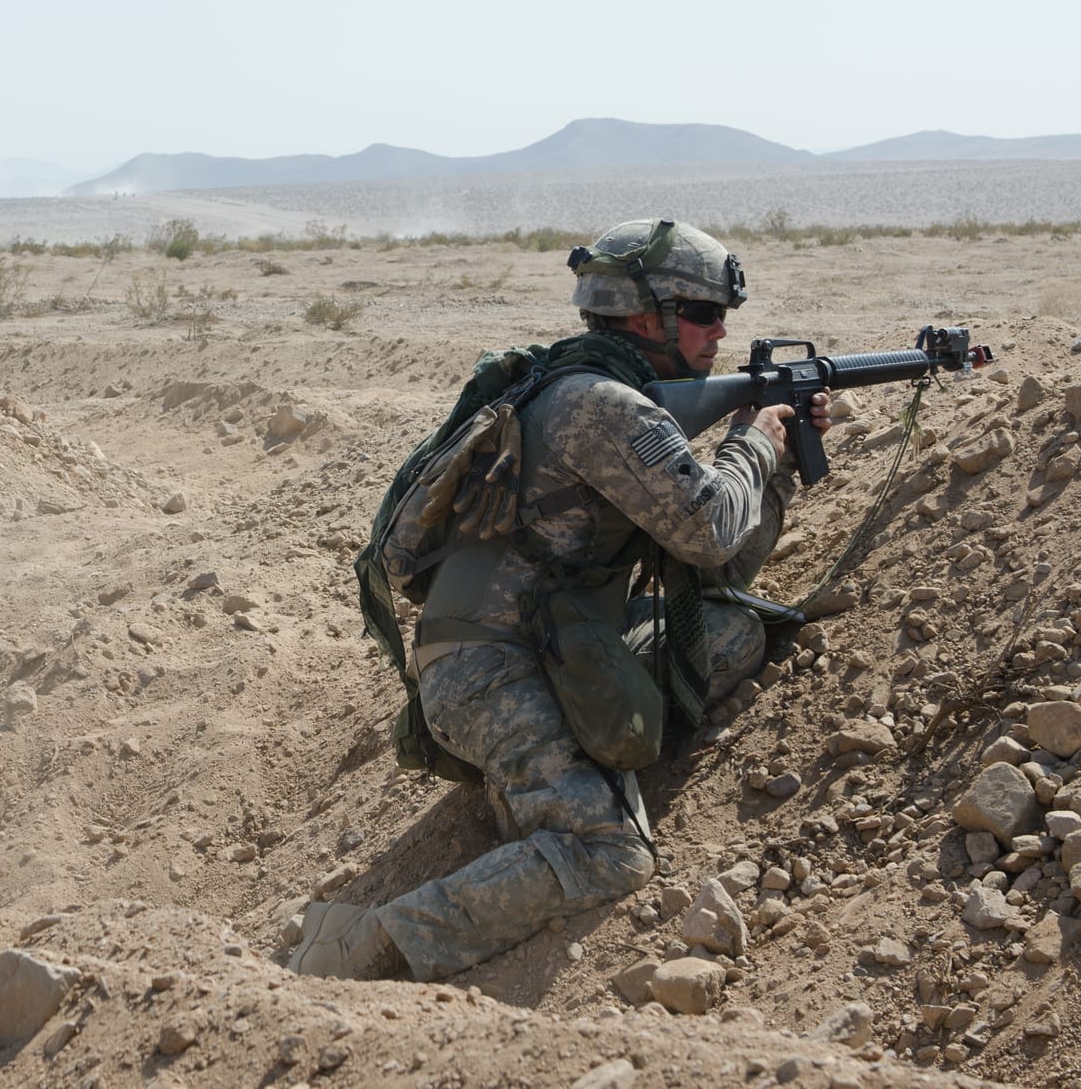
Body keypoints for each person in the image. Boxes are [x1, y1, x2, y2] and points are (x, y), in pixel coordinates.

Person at [290, 218, 828, 982]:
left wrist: (768, 468)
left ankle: (573, 779)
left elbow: (723, 566)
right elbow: (709, 529)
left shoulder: (607, 391)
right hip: (490, 669)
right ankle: (373, 943)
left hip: (546, 645)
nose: (720, 332)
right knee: (610, 852)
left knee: (731, 630)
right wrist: (753, 447)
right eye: (706, 314)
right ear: (650, 317)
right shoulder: (604, 406)